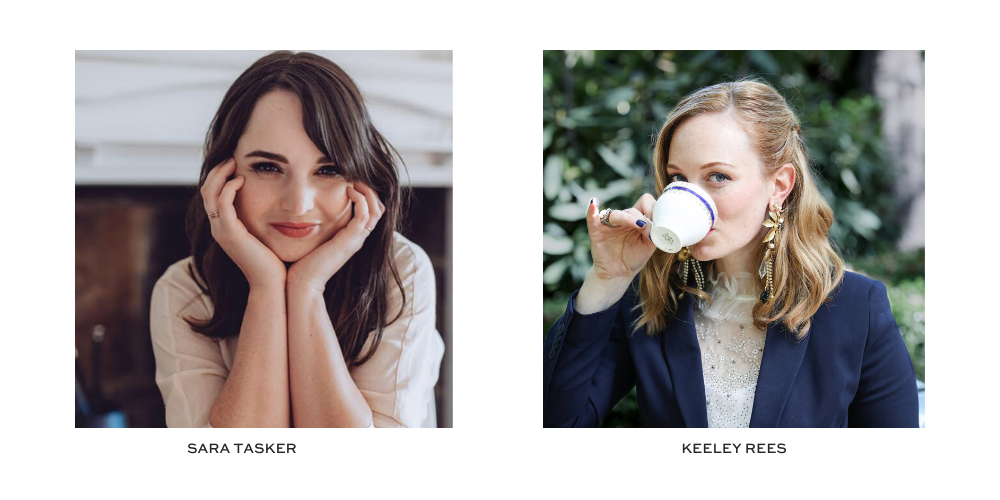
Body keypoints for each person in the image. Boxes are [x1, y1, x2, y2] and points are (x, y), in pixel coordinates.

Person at [542, 78, 918, 428]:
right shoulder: (651, 302)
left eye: (718, 177)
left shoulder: (856, 309)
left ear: (779, 186)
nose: (692, 197)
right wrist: (607, 278)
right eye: (678, 179)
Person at [150, 51, 444, 428]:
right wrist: (267, 286)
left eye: (329, 169)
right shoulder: (184, 289)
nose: (298, 204)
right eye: (268, 167)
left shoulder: (400, 272)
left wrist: (306, 286)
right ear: (222, 176)